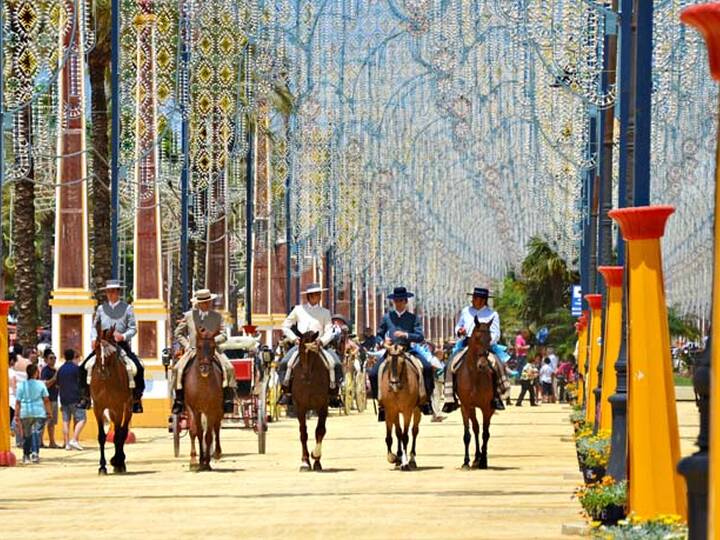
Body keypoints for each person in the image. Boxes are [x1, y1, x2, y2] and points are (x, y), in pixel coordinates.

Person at [78, 279, 145, 413]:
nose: (111, 294)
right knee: (82, 367)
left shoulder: (128, 308)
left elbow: (133, 328)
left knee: (137, 367)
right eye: (108, 291)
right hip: (103, 344)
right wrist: (93, 338)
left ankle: (136, 399)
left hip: (120, 345)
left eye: (113, 291)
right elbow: (94, 326)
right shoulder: (101, 309)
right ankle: (85, 398)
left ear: (118, 292)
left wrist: (123, 336)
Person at [368, 286, 435, 418]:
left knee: (427, 368)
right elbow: (379, 335)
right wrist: (382, 343)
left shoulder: (412, 318)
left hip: (407, 349)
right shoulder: (387, 317)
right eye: (396, 301)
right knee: (373, 373)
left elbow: (420, 336)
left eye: (401, 301)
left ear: (405, 302)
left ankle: (426, 402)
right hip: (391, 351)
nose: (398, 303)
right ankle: (381, 403)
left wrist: (405, 335)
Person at [172, 289, 237, 414]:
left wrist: (212, 341)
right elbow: (178, 333)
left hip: (213, 350)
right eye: (204, 303)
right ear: (198, 304)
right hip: (193, 350)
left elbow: (224, 335)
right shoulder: (188, 316)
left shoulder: (216, 317)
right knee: (177, 369)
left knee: (229, 368)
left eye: (209, 302)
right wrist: (186, 345)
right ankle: (179, 400)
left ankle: (228, 399)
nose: (207, 305)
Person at [443, 287, 507, 412]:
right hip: (466, 344)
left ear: (482, 300)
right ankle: (450, 398)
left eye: (475, 298)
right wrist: (459, 331)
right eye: (473, 298)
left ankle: (497, 396)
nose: (472, 300)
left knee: (498, 364)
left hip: (485, 346)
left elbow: (496, 333)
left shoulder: (492, 314)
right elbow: (459, 326)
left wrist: (485, 343)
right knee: (450, 364)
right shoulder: (466, 311)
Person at [276, 283, 341, 406]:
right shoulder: (298, 310)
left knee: (336, 363)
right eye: (316, 294)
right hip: (301, 345)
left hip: (319, 345)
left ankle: (334, 393)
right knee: (285, 363)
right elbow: (285, 326)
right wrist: (294, 338)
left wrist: (321, 341)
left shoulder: (325, 312)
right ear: (310, 296)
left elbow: (329, 331)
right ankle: (286, 392)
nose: (318, 296)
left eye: (319, 294)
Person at [15, 364, 51, 464]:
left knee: (27, 434)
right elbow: (46, 400)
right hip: (39, 412)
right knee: (36, 433)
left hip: (25, 412)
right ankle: (35, 453)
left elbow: (18, 402)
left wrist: (16, 415)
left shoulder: (21, 385)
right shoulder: (41, 384)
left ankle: (26, 455)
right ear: (36, 373)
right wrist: (49, 412)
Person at [57, 349, 86, 450]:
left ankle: (67, 444)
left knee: (66, 421)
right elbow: (82, 383)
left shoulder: (60, 369)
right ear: (74, 356)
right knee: (82, 419)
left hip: (64, 397)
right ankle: (74, 439)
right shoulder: (77, 369)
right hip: (75, 397)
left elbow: (58, 384)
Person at [40, 350, 59, 448]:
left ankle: (52, 442)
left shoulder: (55, 370)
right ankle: (40, 442)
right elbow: (45, 385)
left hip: (54, 398)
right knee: (44, 421)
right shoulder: (45, 370)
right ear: (46, 359)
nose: (53, 360)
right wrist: (55, 378)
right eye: (51, 358)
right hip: (47, 399)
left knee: (52, 422)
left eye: (54, 358)